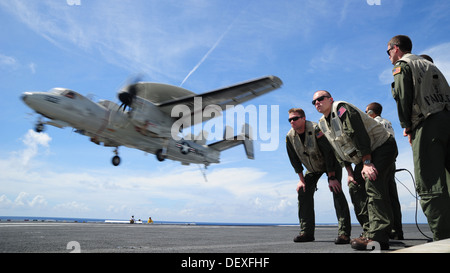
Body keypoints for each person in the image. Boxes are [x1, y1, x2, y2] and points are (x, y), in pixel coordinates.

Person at [313, 90, 398, 250]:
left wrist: (367, 162)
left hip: (381, 147)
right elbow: (337, 149)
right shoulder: (322, 123)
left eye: (320, 99)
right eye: (314, 102)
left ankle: (378, 237)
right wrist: (350, 173)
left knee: (372, 181)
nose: (317, 102)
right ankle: (369, 231)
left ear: (330, 99)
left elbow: (358, 134)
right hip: (363, 157)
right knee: (355, 186)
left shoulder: (341, 108)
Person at [388, 35, 450, 241]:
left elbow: (403, 96)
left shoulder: (402, 65)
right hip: (446, 119)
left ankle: (442, 237)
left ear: (395, 48)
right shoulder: (431, 65)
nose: (389, 56)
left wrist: (407, 126)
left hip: (427, 123)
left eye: (388, 51)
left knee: (429, 181)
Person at [286, 108, 351, 244]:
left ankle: (344, 233)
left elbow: (329, 152)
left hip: (330, 164)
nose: (292, 121)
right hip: (312, 168)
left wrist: (332, 177)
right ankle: (306, 232)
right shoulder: (289, 137)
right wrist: (301, 180)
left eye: (295, 118)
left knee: (336, 191)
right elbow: (294, 160)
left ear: (303, 118)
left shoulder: (316, 129)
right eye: (290, 119)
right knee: (303, 192)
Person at [366, 102, 403, 240]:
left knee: (380, 194)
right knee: (392, 195)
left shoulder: (374, 123)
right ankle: (397, 230)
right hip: (391, 160)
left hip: (380, 159)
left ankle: (383, 230)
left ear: (370, 112)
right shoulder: (387, 122)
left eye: (366, 111)